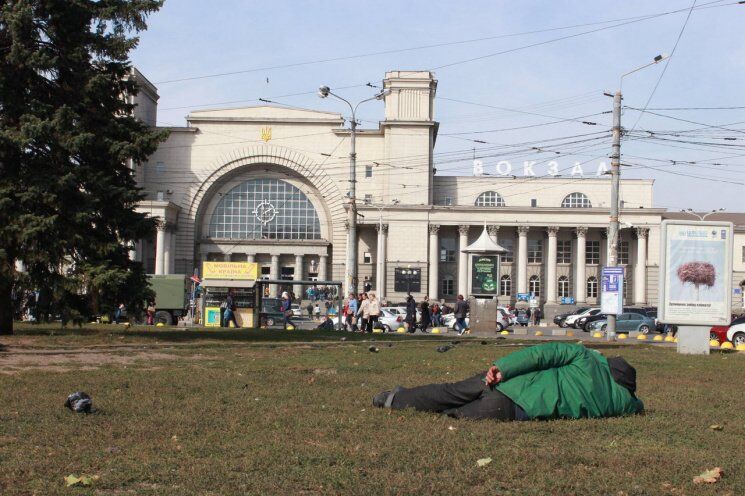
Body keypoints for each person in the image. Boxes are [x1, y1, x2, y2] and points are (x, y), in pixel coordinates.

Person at [373, 342, 644, 421]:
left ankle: (394, 398)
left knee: (452, 391)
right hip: (514, 410)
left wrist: (502, 368)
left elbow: (541, 354)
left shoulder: (586, 358)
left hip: (507, 382)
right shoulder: (623, 402)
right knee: (454, 414)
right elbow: (638, 405)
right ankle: (429, 409)